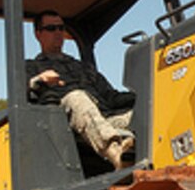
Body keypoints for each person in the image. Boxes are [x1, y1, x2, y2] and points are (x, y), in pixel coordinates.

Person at [26, 10, 135, 169]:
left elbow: (112, 97)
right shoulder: (31, 67)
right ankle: (118, 155)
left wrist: (144, 94)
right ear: (38, 34)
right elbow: (21, 94)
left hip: (104, 120)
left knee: (147, 110)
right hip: (66, 127)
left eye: (61, 28)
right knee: (77, 97)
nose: (58, 33)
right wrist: (38, 80)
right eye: (51, 28)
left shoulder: (83, 67)